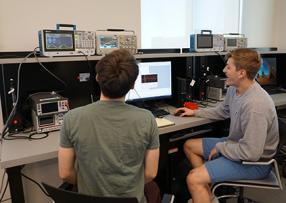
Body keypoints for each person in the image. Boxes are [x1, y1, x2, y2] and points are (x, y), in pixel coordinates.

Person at [175, 48, 279, 203]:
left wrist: (222, 147)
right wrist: (195, 112)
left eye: (228, 67)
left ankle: (201, 187)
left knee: (193, 178)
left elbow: (251, 153)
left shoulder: (256, 106)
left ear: (241, 73)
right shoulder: (234, 89)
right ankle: (208, 196)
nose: (224, 70)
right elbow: (222, 111)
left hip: (255, 163)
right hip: (237, 146)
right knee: (190, 146)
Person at [58, 49, 160, 203]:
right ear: (133, 85)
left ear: (97, 78)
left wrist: (88, 183)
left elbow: (65, 174)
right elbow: (151, 174)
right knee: (154, 190)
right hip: (132, 199)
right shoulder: (147, 119)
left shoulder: (71, 118)